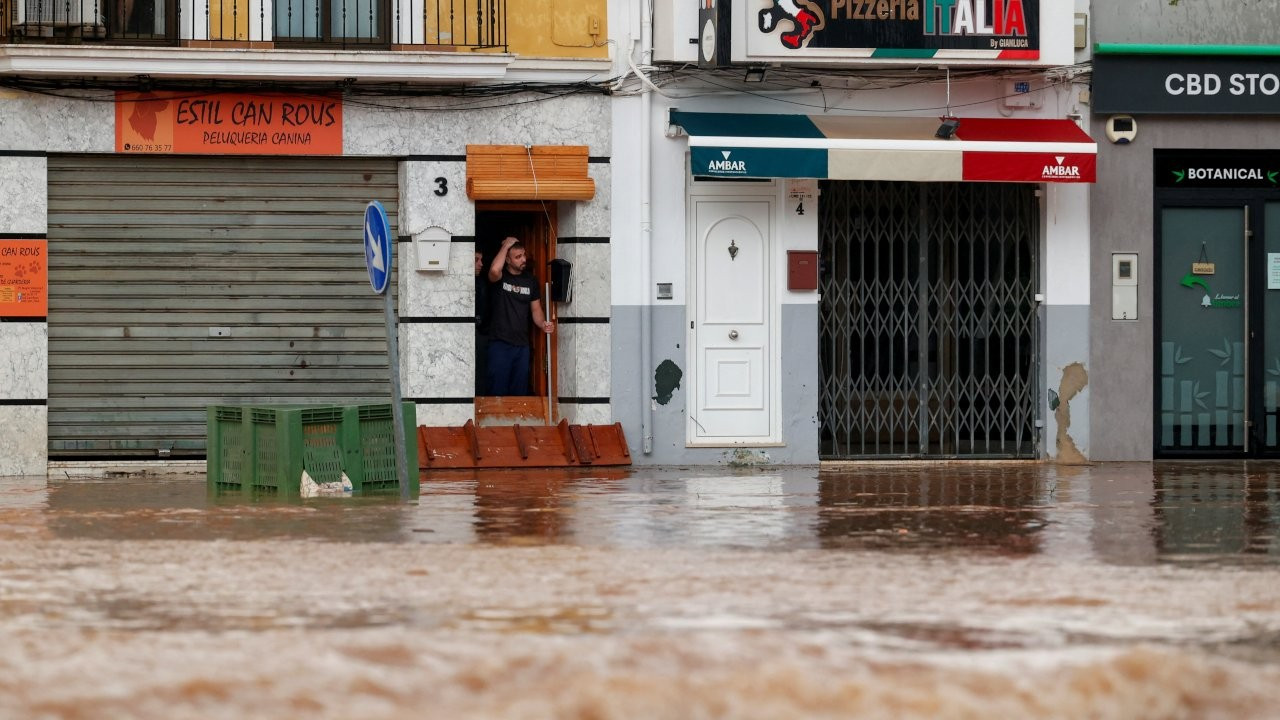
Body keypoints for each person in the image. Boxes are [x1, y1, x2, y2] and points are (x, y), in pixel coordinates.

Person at [486, 236, 553, 396]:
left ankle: (517, 422)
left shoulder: (530, 281)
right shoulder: (500, 278)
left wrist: (543, 324)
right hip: (499, 344)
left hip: (522, 346)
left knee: (519, 392)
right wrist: (506, 246)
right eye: (517, 257)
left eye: (523, 255)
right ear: (507, 260)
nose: (523, 259)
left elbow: (536, 310)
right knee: (497, 391)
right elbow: (494, 270)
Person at [474, 251, 490, 396]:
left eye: (481, 259)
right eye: (476, 260)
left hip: (482, 336)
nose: (481, 264)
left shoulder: (482, 283)